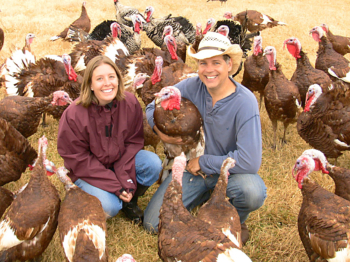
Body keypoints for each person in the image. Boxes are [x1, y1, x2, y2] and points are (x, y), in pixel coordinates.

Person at [143, 32, 267, 244]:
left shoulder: (245, 102)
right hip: (192, 171)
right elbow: (151, 107)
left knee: (252, 191)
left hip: (227, 173)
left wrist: (202, 162)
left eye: (216, 62)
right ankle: (204, 198)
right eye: (203, 63)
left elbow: (249, 161)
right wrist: (161, 132)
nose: (209, 70)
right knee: (152, 224)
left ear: (229, 64)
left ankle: (236, 218)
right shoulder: (191, 86)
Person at [57, 55, 162, 223]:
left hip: (118, 162)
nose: (107, 83)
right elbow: (78, 159)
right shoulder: (74, 115)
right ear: (90, 84)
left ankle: (129, 201)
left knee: (152, 164)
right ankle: (100, 196)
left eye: (111, 77)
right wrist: (115, 184)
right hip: (87, 172)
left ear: (118, 80)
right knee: (110, 207)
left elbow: (133, 143)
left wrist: (124, 179)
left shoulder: (130, 102)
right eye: (99, 79)